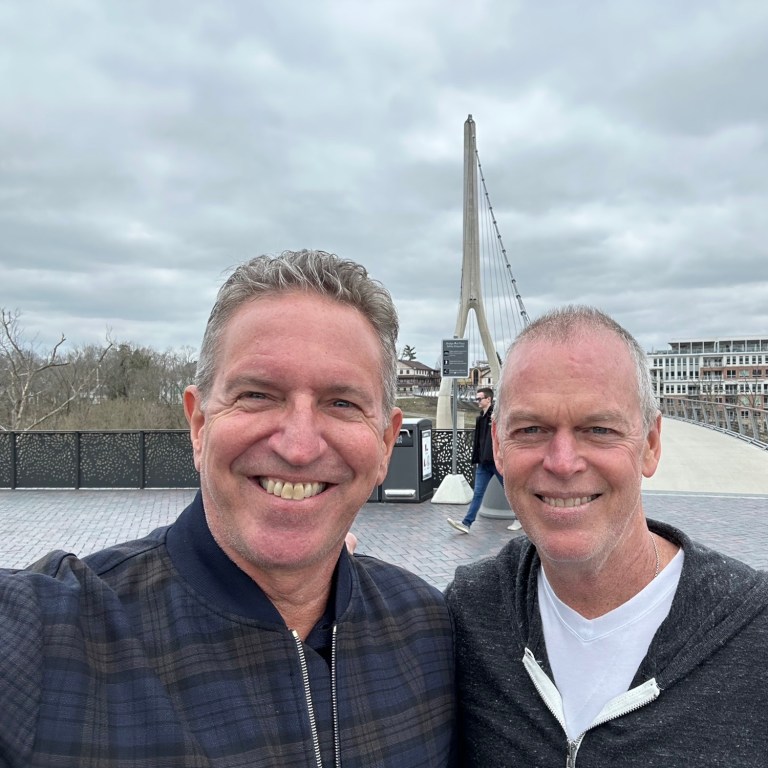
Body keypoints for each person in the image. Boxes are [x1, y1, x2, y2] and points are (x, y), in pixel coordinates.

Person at [0, 250, 456, 767]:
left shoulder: (427, 630)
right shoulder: (52, 637)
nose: (299, 447)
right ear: (199, 426)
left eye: (342, 403)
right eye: (258, 395)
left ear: (385, 443)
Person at [444, 305, 768, 767]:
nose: (562, 462)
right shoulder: (468, 616)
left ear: (651, 445)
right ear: (498, 446)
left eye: (599, 429)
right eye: (531, 429)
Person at [446, 386, 520, 532]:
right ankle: (466, 523)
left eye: (480, 399)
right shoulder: (480, 418)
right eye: (477, 399)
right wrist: (477, 458)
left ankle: (520, 519)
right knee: (478, 493)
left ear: (488, 399)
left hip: (496, 462)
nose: (477, 401)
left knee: (510, 491)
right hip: (483, 463)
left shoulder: (497, 416)